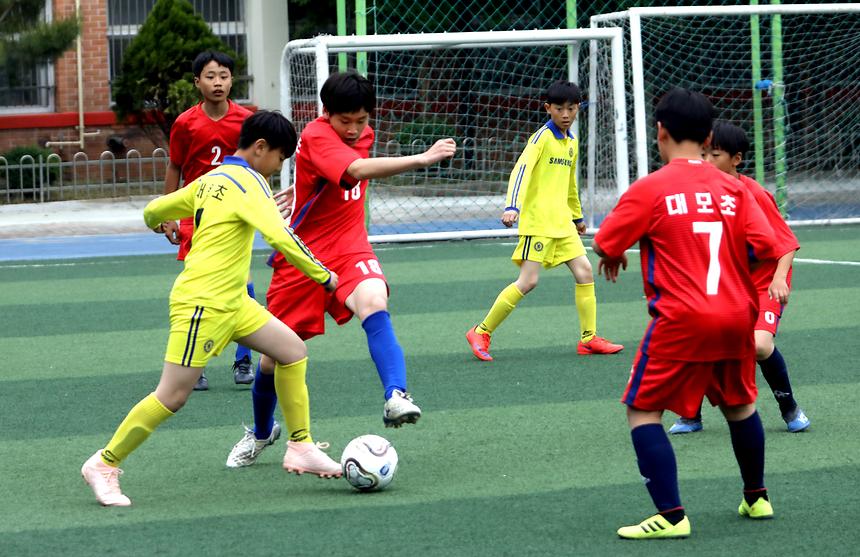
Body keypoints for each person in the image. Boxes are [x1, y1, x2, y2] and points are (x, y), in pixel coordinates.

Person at [81, 111, 343, 507]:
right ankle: (104, 463)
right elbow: (281, 236)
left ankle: (301, 445)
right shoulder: (250, 182)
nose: (279, 168)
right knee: (172, 396)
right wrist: (325, 277)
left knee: (291, 351)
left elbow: (157, 208)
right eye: (280, 159)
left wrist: (157, 221)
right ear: (260, 149)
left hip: (234, 301)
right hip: (203, 303)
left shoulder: (213, 177)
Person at [225, 71, 456, 468]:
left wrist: (298, 191)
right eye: (343, 121)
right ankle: (262, 433)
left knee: (374, 300)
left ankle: (396, 396)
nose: (353, 130)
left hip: (349, 243)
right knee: (272, 358)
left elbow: (329, 179)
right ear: (326, 113)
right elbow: (355, 171)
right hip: (302, 253)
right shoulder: (315, 135)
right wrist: (423, 157)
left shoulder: (361, 133)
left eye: (361, 121)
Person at [592, 89, 779, 539]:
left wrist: (617, 253)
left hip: (682, 318)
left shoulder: (652, 187)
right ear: (709, 135)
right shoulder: (736, 187)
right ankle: (757, 497)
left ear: (660, 132)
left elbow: (606, 243)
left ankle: (672, 516)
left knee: (642, 410)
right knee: (740, 405)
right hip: (737, 315)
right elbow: (767, 247)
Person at [464, 80, 622, 363]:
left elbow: (569, 185)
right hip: (538, 223)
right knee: (528, 282)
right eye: (559, 108)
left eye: (571, 108)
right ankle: (481, 330)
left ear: (578, 109)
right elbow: (521, 171)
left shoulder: (571, 142)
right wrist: (512, 205)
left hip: (563, 224)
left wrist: (577, 216)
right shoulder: (540, 139)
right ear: (548, 108)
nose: (565, 114)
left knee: (585, 272)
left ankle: (588, 338)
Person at [669, 121, 810, 434]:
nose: (706, 161)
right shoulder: (699, 193)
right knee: (700, 338)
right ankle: (690, 414)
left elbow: (786, 244)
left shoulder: (754, 194)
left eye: (714, 155)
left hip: (762, 284)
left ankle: (790, 408)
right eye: (703, 154)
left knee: (759, 345)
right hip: (723, 285)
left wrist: (778, 280)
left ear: (736, 159)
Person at [162, 50, 256, 390]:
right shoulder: (185, 123)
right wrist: (169, 213)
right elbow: (175, 166)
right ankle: (195, 364)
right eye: (211, 76)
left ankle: (243, 360)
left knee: (241, 283)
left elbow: (256, 166)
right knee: (199, 288)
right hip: (197, 218)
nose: (218, 82)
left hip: (234, 217)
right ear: (197, 82)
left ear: (232, 80)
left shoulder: (247, 121)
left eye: (225, 76)